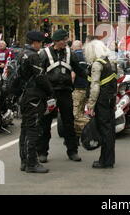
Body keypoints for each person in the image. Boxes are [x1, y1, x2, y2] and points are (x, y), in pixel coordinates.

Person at [37, 29, 86, 163]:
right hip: (49, 94)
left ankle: (72, 151)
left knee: (68, 122)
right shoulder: (44, 54)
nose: (66, 42)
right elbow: (39, 73)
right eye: (64, 40)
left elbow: (79, 70)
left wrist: (91, 79)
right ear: (56, 41)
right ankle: (42, 152)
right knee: (45, 123)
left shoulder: (71, 53)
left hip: (65, 92)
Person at [17, 31, 54, 173]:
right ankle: (32, 163)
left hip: (24, 95)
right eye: (41, 43)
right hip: (34, 97)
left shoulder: (21, 54)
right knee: (33, 130)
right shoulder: (33, 56)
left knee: (25, 129)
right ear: (36, 42)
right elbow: (41, 77)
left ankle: (24, 161)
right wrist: (51, 92)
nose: (42, 45)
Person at [84, 39, 118, 168]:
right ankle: (109, 159)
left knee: (104, 130)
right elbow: (114, 84)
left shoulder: (97, 65)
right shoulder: (111, 63)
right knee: (109, 130)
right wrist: (114, 101)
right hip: (110, 99)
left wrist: (91, 105)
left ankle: (105, 161)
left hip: (101, 100)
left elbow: (95, 87)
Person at [71, 40, 90, 138]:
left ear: (73, 47)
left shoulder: (73, 57)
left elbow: (73, 75)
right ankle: (80, 134)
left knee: (75, 114)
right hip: (86, 88)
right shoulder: (87, 57)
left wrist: (70, 86)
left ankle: (91, 125)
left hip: (77, 88)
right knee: (81, 111)